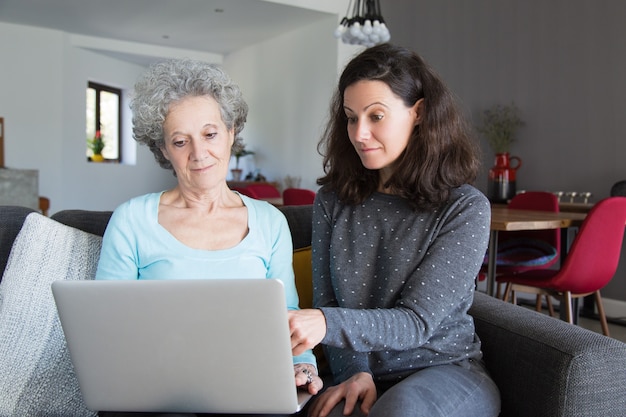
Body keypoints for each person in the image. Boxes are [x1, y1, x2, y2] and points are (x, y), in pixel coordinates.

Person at [95, 58, 322, 415]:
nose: (199, 154)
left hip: (250, 393)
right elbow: (105, 327)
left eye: (210, 134)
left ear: (231, 132)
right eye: (180, 141)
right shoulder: (131, 220)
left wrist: (303, 366)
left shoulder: (270, 222)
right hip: (156, 396)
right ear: (164, 149)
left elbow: (288, 317)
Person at [287, 44, 501, 417]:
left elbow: (417, 322)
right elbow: (329, 301)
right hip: (361, 373)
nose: (359, 133)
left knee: (402, 410)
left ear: (417, 113)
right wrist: (353, 372)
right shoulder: (332, 201)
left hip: (445, 369)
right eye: (351, 118)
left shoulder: (464, 208)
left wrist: (325, 323)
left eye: (376, 116)